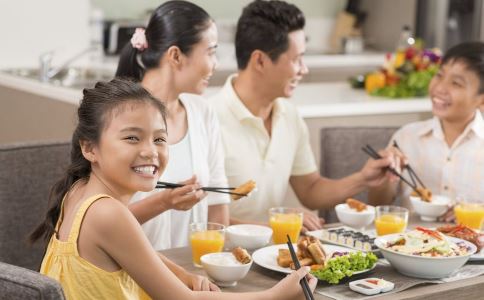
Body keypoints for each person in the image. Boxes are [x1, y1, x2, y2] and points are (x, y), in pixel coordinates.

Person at [30, 78, 316, 299]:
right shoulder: (108, 214)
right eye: (132, 138)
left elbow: (139, 251)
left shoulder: (80, 190)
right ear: (90, 148)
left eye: (159, 139)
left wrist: (184, 274)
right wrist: (276, 295)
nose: (150, 152)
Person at [209, 0, 398, 229]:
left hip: (274, 253)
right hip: (221, 258)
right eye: (296, 59)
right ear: (260, 60)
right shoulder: (208, 121)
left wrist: (363, 178)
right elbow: (201, 220)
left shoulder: (289, 115)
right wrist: (276, 224)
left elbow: (310, 190)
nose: (304, 69)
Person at [116, 0, 229, 250]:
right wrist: (163, 201)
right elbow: (98, 223)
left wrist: (215, 267)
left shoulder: (202, 112)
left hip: (195, 276)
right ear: (176, 55)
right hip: (132, 280)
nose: (216, 63)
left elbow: (218, 205)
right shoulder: (119, 117)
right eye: (210, 52)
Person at [368, 41, 484, 221]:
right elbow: (376, 206)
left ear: (481, 100)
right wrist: (383, 178)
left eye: (456, 83)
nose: (440, 88)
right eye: (439, 75)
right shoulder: (407, 137)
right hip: (409, 244)